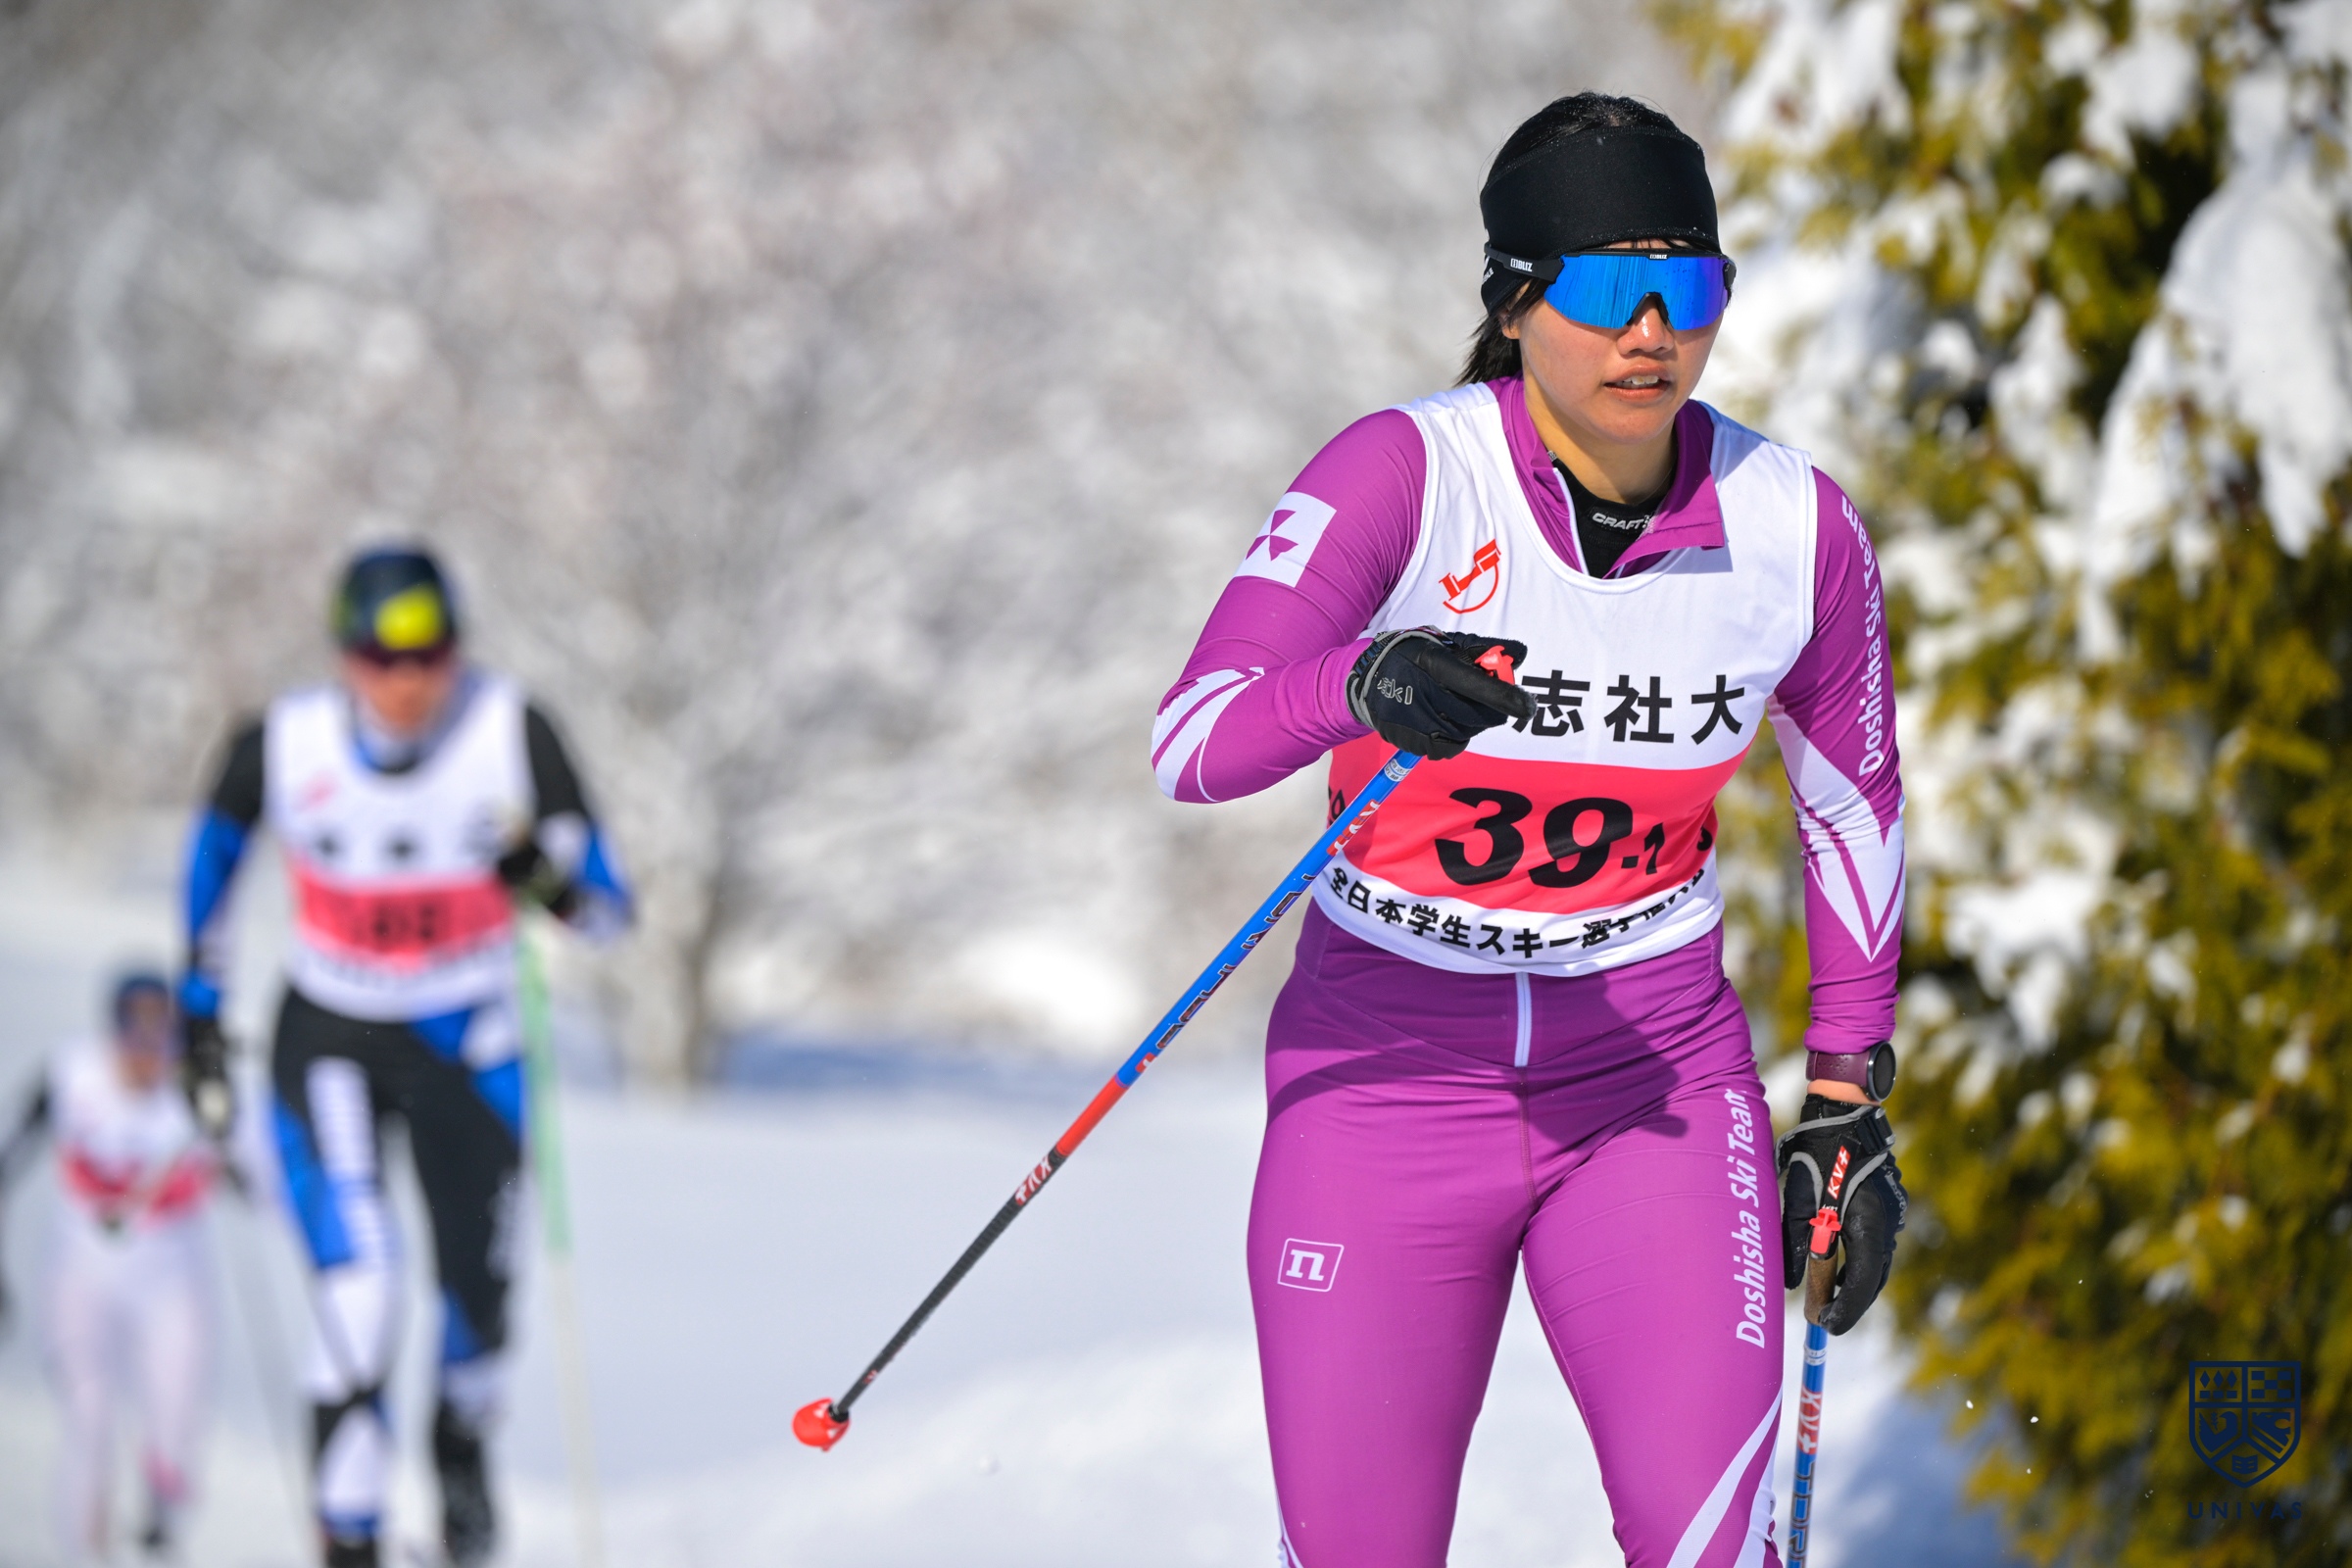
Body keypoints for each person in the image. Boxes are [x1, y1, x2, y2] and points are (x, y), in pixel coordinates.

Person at [1153, 94, 1909, 1567]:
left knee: (1712, 1547)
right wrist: (1359, 680)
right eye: (1609, 288)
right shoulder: (1402, 476)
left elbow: (1851, 802)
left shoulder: (1793, 526)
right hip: (1386, 1077)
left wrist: (1846, 1091)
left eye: (1690, 288)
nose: (1653, 334)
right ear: (1514, 302)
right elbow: (1194, 740)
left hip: (1653, 1082)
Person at [178, 545, 632, 1568]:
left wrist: (544, 879)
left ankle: (459, 1454)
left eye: (430, 655)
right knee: (361, 1288)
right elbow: (209, 869)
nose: (407, 680)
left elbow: (607, 910)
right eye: (380, 657)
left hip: (471, 1048)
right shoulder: (282, 744)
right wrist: (199, 1015)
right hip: (331, 1038)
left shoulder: (510, 730)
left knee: (477, 1308)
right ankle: (351, 1537)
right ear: (345, 656)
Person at [0, 973, 225, 1562]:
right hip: (82, 1279)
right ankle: (84, 1551)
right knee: (90, 1419)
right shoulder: (72, 1075)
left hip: (172, 1283)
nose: (147, 1055)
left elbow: (268, 1178)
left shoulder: (198, 1094)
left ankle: (162, 1516)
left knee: (174, 1422)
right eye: (135, 1033)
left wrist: (226, 1129)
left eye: (161, 1035)